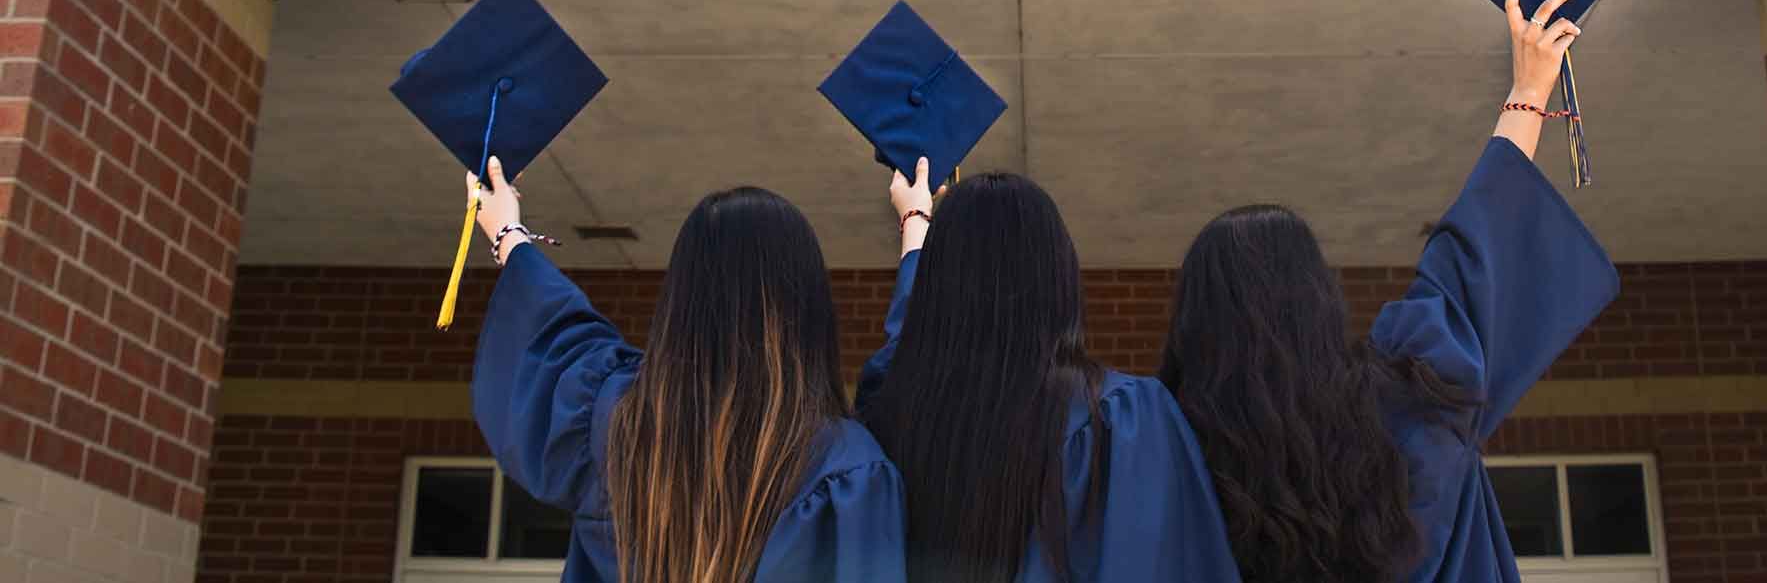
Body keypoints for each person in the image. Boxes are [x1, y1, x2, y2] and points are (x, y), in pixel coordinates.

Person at [1159, 0, 1619, 583]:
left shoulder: (1160, 454)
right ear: (1317, 302)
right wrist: (1530, 86)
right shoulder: (1410, 396)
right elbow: (1476, 251)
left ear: (1194, 323)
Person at [466, 158, 907, 583]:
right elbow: (913, 368)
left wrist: (508, 232)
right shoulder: (844, 467)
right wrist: (916, 226)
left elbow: (554, 336)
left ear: (682, 299)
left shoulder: (615, 425)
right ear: (809, 308)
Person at [857, 158, 1242, 583]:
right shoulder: (1122, 419)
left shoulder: (891, 414)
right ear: (1059, 274)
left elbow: (901, 352)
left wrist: (916, 229)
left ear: (936, 289)